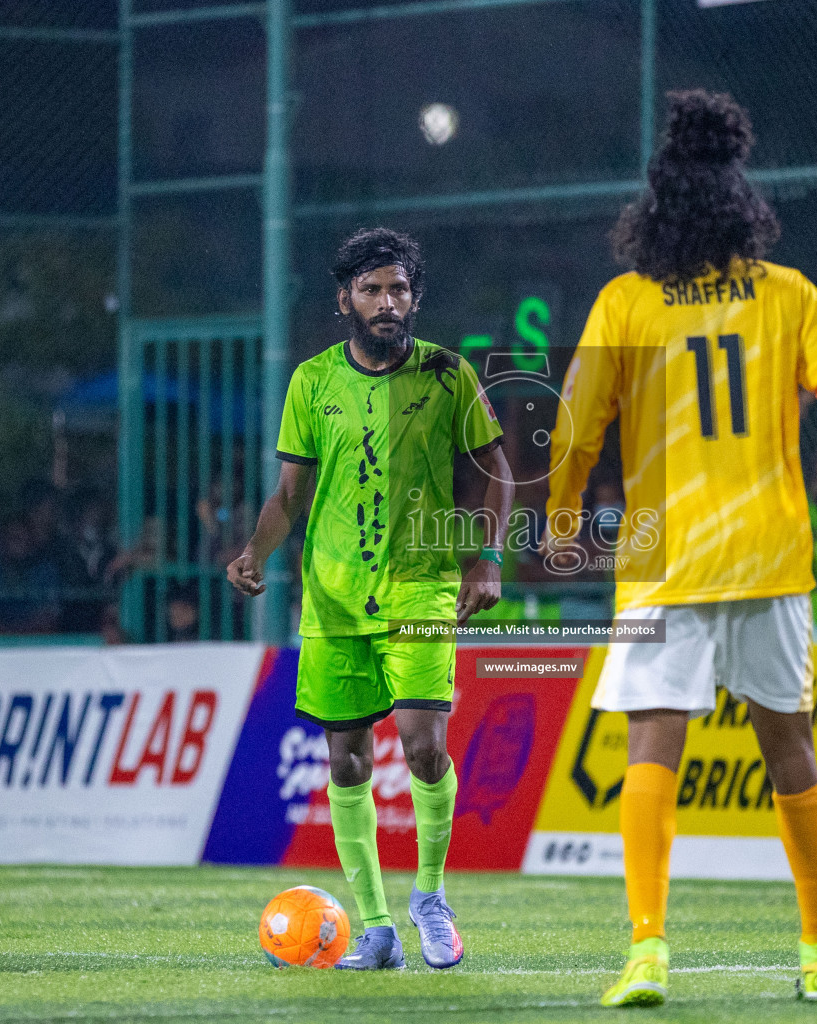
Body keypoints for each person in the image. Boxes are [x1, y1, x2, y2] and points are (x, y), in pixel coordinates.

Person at [543, 90, 817, 1007]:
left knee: (654, 747)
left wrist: (563, 519)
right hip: (768, 556)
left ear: (656, 204)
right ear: (742, 201)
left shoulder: (627, 301)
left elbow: (573, 429)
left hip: (663, 562)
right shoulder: (789, 294)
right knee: (790, 749)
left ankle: (647, 950)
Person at [227, 228, 512, 972]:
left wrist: (486, 558)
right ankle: (377, 926)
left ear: (414, 297)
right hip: (333, 599)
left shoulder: (449, 375)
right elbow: (291, 494)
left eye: (399, 289)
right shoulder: (313, 382)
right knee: (347, 760)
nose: (387, 302)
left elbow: (497, 469)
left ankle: (431, 898)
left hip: (422, 584)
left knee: (424, 746)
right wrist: (256, 551)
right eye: (372, 290)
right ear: (344, 300)